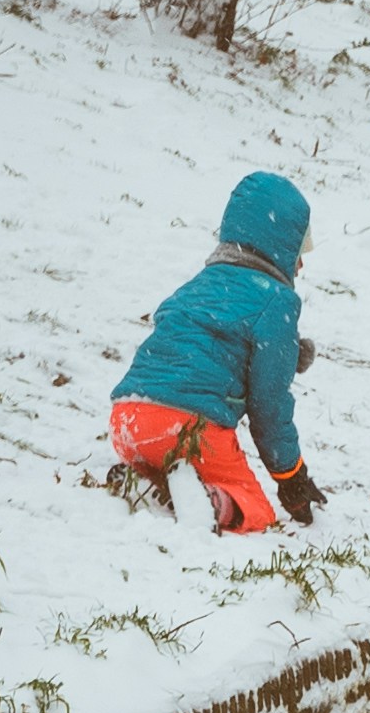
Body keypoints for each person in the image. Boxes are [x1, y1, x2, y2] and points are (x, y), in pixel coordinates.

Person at [108, 169, 323, 534]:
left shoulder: (199, 284)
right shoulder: (277, 300)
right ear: (281, 246)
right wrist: (291, 476)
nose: (301, 263)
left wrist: (287, 350)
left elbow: (203, 333)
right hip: (186, 426)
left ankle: (141, 480)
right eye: (301, 249)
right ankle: (210, 503)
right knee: (256, 509)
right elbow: (269, 405)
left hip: (127, 419)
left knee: (169, 463)